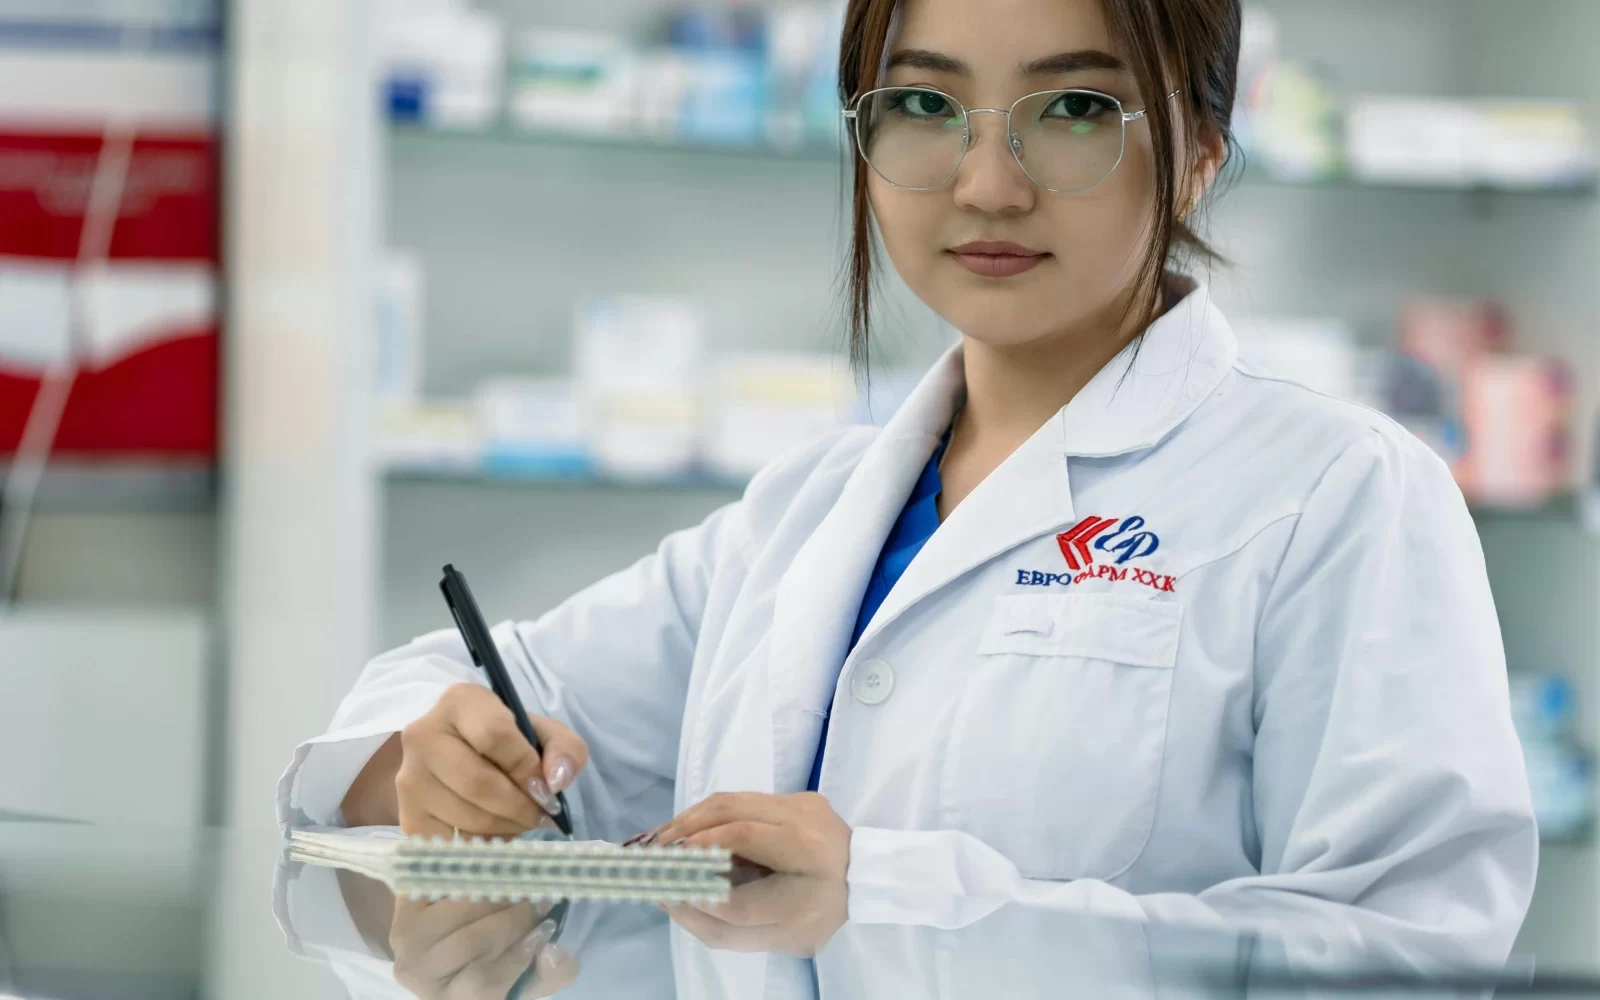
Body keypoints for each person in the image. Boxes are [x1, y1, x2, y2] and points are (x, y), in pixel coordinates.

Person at [280, 0, 1537, 959]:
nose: (987, 183)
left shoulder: (1335, 492)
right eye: (926, 105)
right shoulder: (808, 511)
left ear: (1201, 151)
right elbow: (456, 697)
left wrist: (885, 894)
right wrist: (441, 761)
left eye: (1074, 108)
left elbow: (1408, 953)